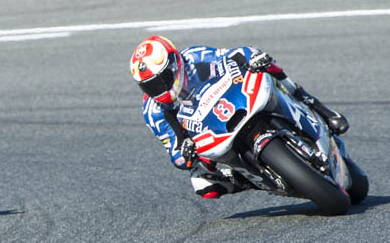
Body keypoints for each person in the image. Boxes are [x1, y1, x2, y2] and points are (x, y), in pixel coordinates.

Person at [129, 35, 349, 199]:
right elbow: (175, 153)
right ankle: (247, 180)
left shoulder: (194, 57)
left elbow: (231, 56)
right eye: (149, 86)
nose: (158, 89)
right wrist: (185, 154)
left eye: (161, 80)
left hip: (236, 100)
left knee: (266, 68)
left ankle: (318, 107)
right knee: (203, 184)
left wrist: (252, 58)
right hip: (209, 136)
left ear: (174, 63)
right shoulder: (153, 111)